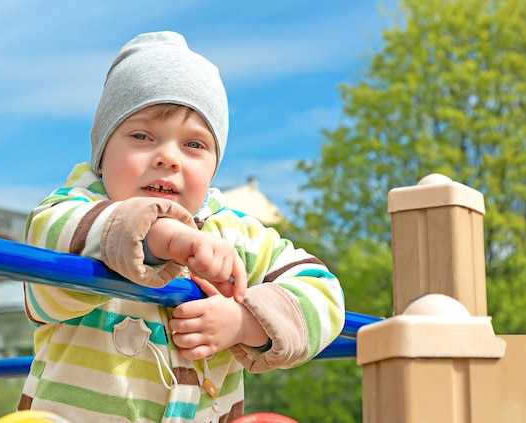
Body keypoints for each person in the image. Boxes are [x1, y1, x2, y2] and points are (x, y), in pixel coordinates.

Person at [18, 31, 345, 423]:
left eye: (194, 145)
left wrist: (246, 323)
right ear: (101, 155)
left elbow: (323, 292)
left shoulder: (234, 234)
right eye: (142, 136)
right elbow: (49, 247)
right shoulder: (73, 211)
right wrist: (158, 235)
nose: (168, 157)